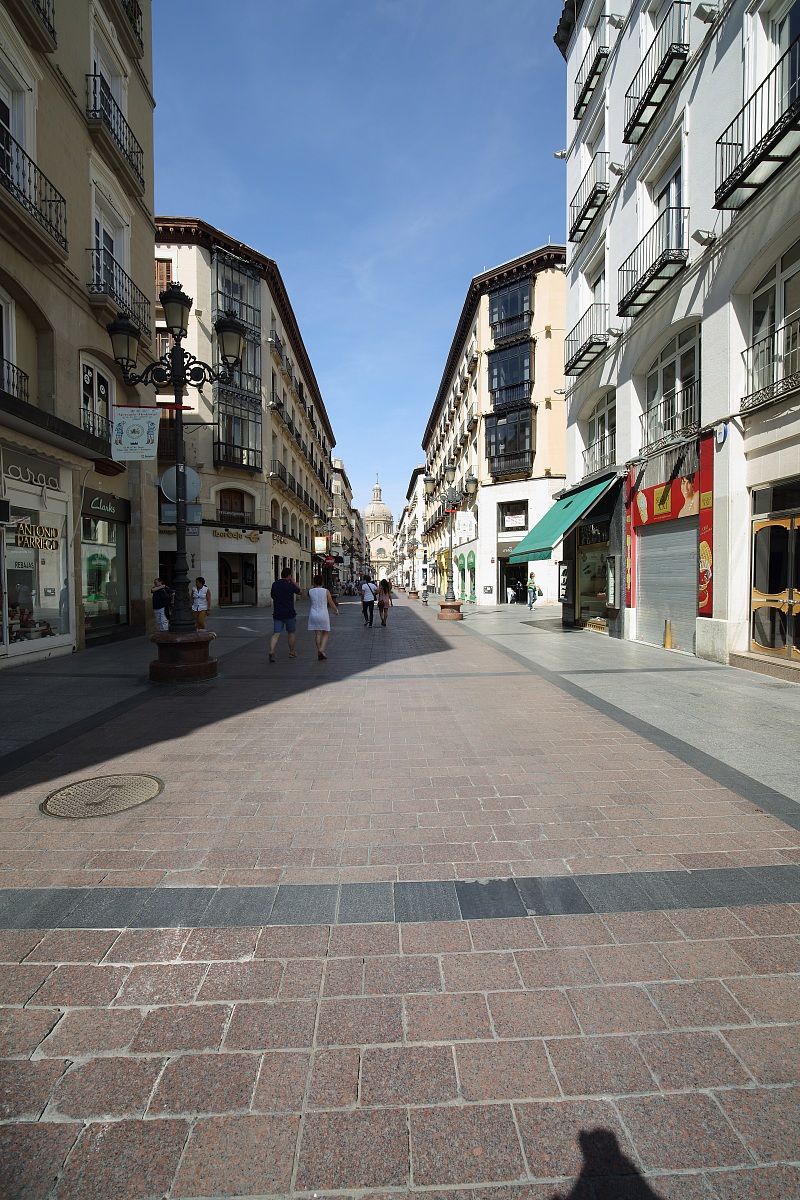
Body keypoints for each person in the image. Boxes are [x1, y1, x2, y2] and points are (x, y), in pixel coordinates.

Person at [270, 566, 301, 662]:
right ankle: (292, 652)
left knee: (276, 633)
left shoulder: (275, 584)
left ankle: (272, 651)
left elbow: (272, 596)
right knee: (291, 633)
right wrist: (293, 582)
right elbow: (299, 591)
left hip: (278, 613)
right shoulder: (290, 585)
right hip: (289, 613)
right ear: (289, 575)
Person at [307, 573, 339, 660]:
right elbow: (331, 602)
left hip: (313, 613)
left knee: (317, 634)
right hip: (323, 614)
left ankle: (320, 651)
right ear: (322, 582)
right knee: (326, 632)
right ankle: (321, 650)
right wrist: (335, 610)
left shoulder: (310, 591)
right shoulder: (325, 591)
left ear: (314, 582)